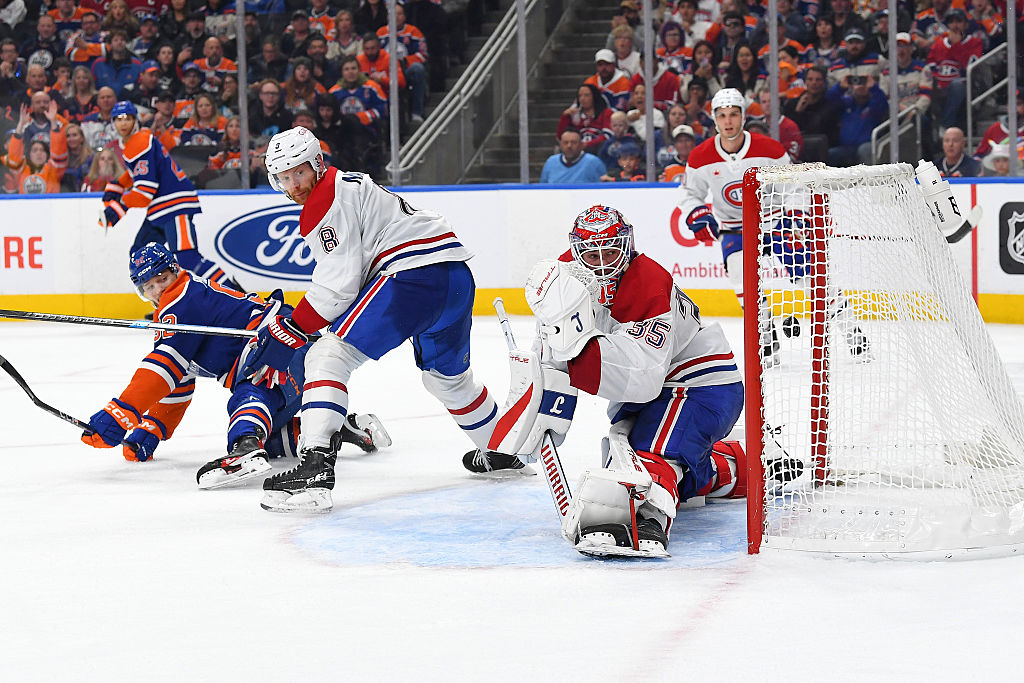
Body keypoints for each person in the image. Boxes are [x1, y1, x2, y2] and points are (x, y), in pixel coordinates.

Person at [239, 125, 501, 512]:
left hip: (412, 278)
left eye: (299, 172)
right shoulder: (347, 185)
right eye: (284, 176)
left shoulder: (324, 200)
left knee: (328, 356)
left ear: (316, 164)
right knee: (448, 379)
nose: (294, 184)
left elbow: (338, 287)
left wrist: (292, 326)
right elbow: (355, 278)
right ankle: (503, 449)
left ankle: (314, 467)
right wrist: (308, 319)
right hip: (454, 277)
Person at [470, 206, 747, 556]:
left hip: (698, 386)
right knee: (631, 458)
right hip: (661, 393)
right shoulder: (562, 280)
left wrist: (576, 353)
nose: (602, 262)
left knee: (648, 459)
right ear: (575, 251)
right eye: (591, 252)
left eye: (611, 250)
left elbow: (643, 378)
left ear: (627, 245)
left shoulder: (646, 282)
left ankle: (648, 517)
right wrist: (522, 434)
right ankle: (752, 466)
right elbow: (552, 358)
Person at [79, 242, 389, 488]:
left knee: (250, 396)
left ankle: (244, 448)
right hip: (296, 353)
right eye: (150, 286)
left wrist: (120, 413)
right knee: (268, 432)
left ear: (175, 272)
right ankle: (341, 429)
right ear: (141, 292)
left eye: (162, 278)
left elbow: (163, 367)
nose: (158, 288)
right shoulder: (186, 298)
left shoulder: (180, 301)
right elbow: (179, 378)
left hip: (278, 349)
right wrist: (152, 428)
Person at [677, 88, 789, 353]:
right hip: (734, 228)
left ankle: (849, 327)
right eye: (722, 115)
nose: (728, 122)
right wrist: (697, 213)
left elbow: (794, 185)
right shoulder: (700, 156)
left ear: (744, 116)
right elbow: (689, 194)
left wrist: (794, 215)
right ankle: (765, 333)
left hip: (773, 222)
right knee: (740, 275)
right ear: (714, 119)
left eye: (734, 115)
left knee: (806, 274)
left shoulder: (770, 150)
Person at [101, 100, 237, 289]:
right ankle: (167, 300)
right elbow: (140, 174)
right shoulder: (136, 142)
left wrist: (117, 208)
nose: (123, 123)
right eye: (119, 119)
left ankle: (234, 294)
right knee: (141, 256)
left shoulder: (140, 142)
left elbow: (144, 193)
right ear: (113, 122)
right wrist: (118, 185)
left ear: (136, 120)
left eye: (128, 118)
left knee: (187, 258)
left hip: (174, 205)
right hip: (160, 209)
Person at [540, 128, 606, 184]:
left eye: (574, 142)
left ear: (581, 145)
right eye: (565, 142)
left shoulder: (593, 162)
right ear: (560, 145)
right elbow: (542, 190)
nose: (569, 146)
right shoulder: (551, 162)